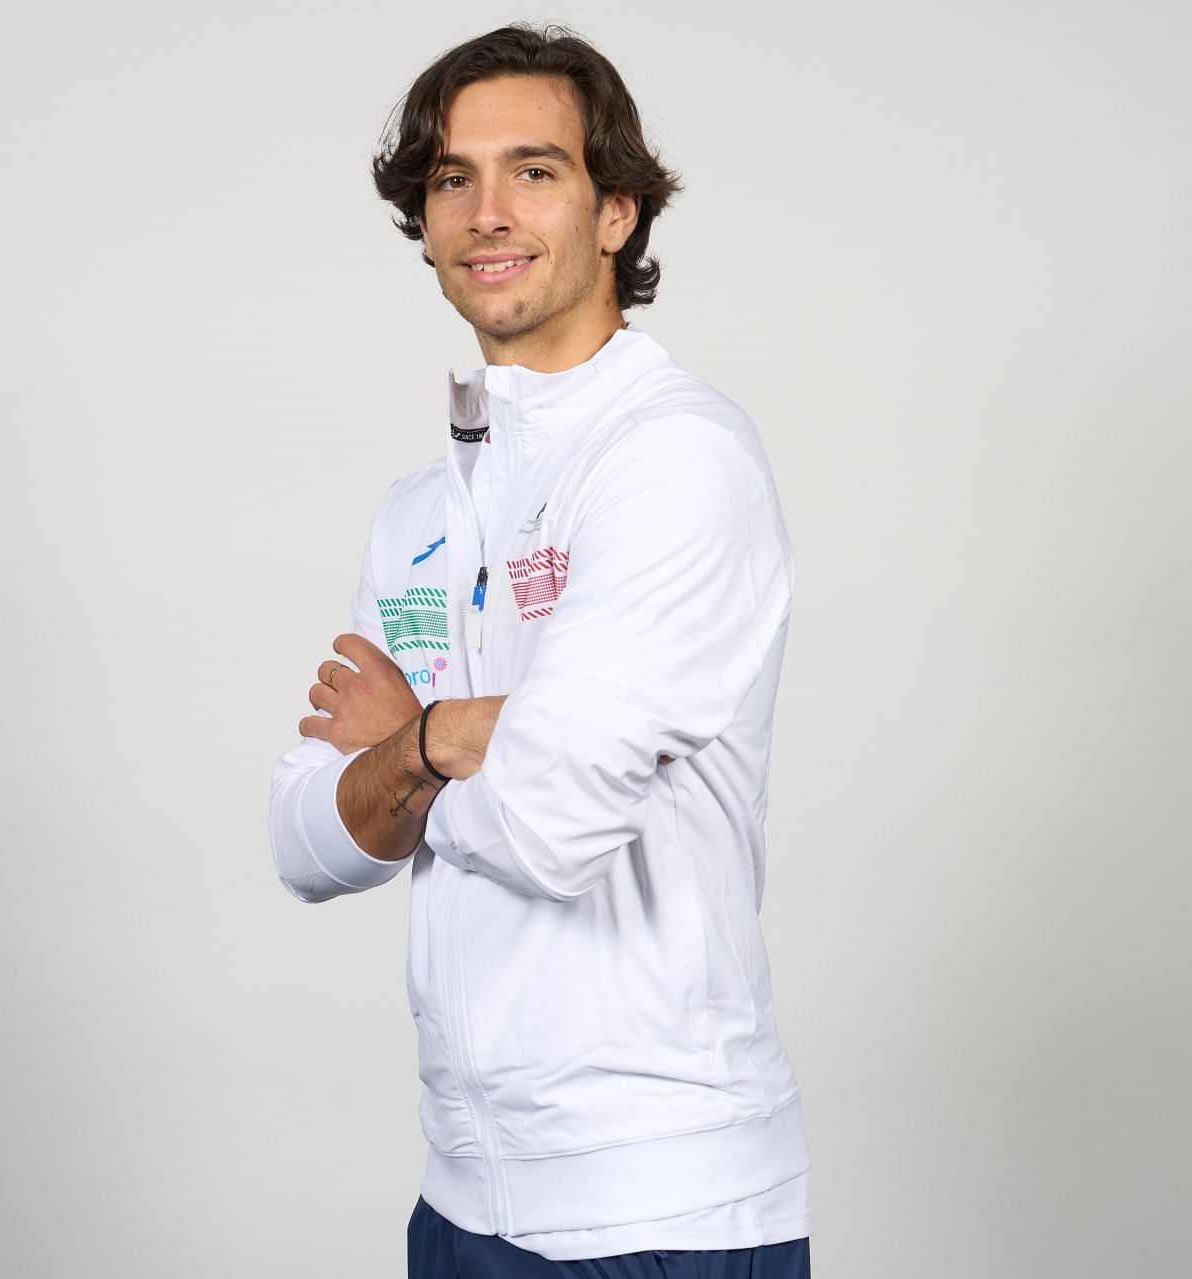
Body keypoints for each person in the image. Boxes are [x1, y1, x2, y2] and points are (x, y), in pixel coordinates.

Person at [267, 24, 811, 1276]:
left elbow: (557, 824)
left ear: (618, 210)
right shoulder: (420, 509)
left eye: (536, 170)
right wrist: (454, 738)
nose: (487, 212)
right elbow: (303, 844)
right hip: (463, 1199)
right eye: (452, 178)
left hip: (657, 1205)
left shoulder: (675, 459)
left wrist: (412, 749)